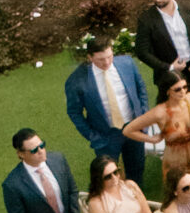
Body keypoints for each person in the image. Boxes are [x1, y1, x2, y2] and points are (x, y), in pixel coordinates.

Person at [64, 38, 152, 188]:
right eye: (100, 59)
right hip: (106, 136)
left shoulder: (127, 63)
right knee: (107, 177)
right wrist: (93, 136)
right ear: (90, 57)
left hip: (135, 128)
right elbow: (74, 112)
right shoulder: (76, 80)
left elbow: (141, 89)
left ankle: (138, 201)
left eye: (109, 56)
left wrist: (143, 117)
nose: (106, 62)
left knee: (136, 170)